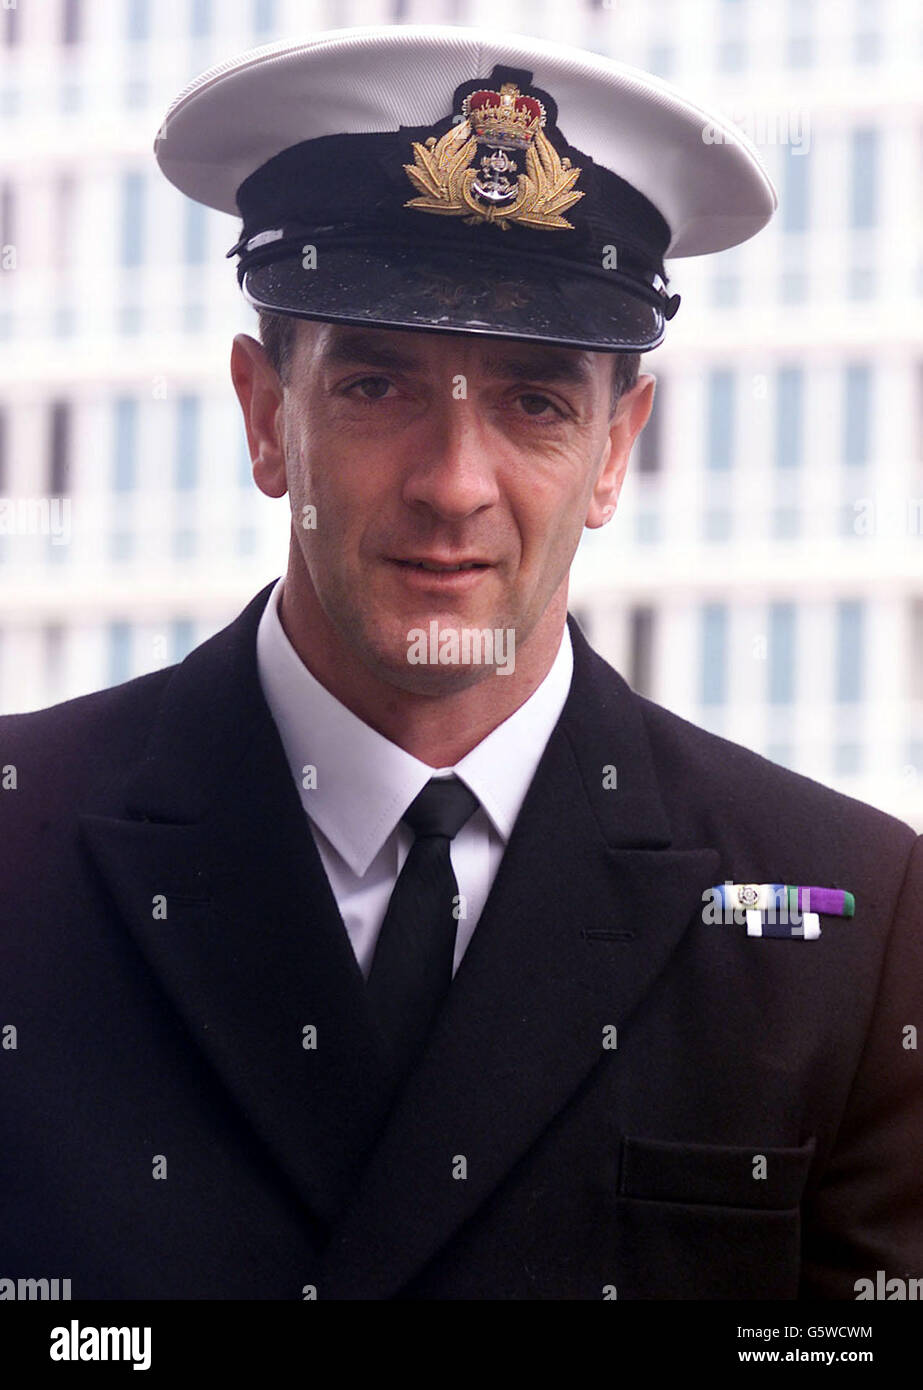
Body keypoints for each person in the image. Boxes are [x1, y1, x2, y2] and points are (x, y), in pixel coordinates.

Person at [1, 24, 921, 1302]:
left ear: (614, 450)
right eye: (376, 386)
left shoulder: (850, 920)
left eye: (534, 400)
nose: (453, 485)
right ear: (268, 417)